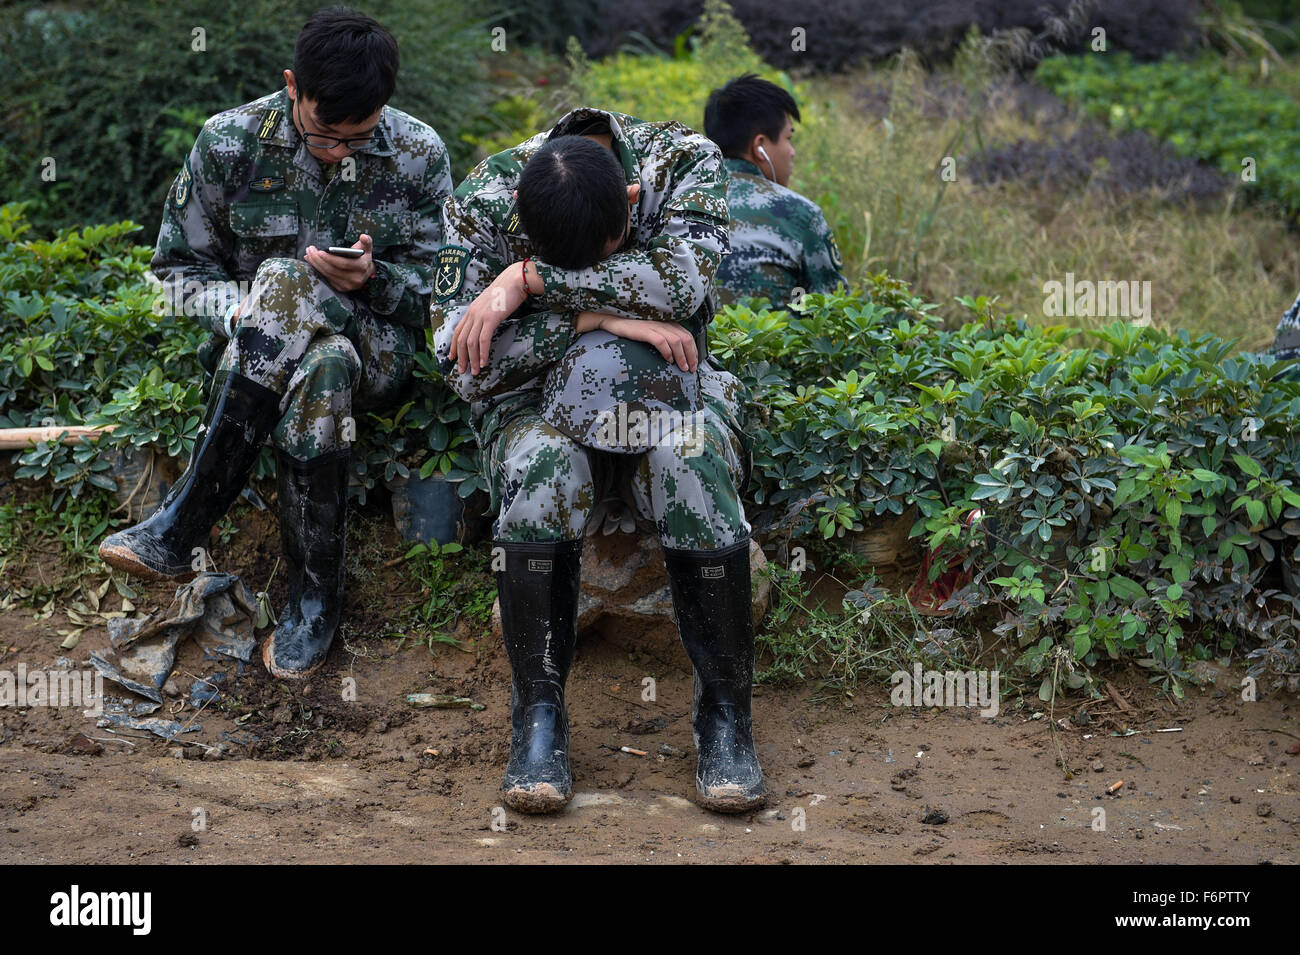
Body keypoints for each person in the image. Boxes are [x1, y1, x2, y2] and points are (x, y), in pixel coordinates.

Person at [98, 6, 452, 679]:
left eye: (359, 137)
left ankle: (182, 526)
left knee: (288, 282)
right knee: (317, 360)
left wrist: (373, 279)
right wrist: (244, 309)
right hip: (267, 357)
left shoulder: (418, 153)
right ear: (293, 85)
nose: (340, 150)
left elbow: (443, 300)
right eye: (325, 135)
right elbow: (172, 279)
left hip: (376, 348)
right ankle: (315, 604)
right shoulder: (228, 141)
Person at [430, 108, 765, 815]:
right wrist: (598, 316)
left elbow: (680, 288)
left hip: (676, 383)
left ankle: (727, 718)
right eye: (552, 261)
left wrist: (531, 285)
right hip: (533, 401)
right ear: (521, 215)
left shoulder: (682, 164)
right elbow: (460, 363)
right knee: (544, 472)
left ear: (633, 204)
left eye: (612, 255)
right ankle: (539, 718)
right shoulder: (483, 200)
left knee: (690, 463)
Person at [704, 74, 846, 306]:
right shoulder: (801, 214)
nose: (792, 152)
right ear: (760, 146)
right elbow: (834, 310)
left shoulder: (672, 201)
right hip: (770, 341)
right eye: (788, 138)